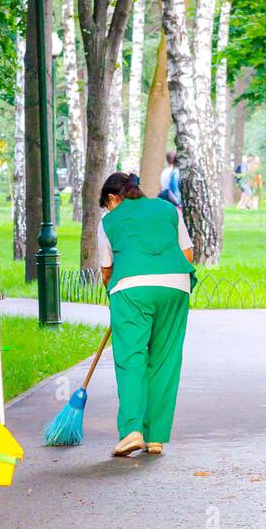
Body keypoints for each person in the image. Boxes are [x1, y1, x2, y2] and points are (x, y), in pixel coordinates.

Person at [97, 171, 195, 458]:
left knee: (131, 358)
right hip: (176, 287)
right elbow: (187, 253)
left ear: (113, 198)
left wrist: (117, 294)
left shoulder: (108, 221)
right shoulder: (168, 209)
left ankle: (132, 431)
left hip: (130, 290)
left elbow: (107, 270)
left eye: (108, 203)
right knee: (165, 360)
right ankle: (155, 437)